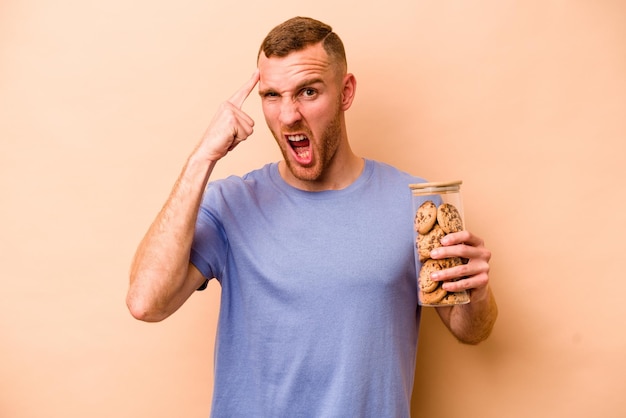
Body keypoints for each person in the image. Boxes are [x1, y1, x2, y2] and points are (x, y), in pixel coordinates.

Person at [127, 16, 497, 417]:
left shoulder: (415, 203)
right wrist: (202, 158)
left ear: (345, 92)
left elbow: (470, 329)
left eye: (307, 91)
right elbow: (146, 303)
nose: (288, 116)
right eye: (271, 95)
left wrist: (477, 294)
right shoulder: (231, 203)